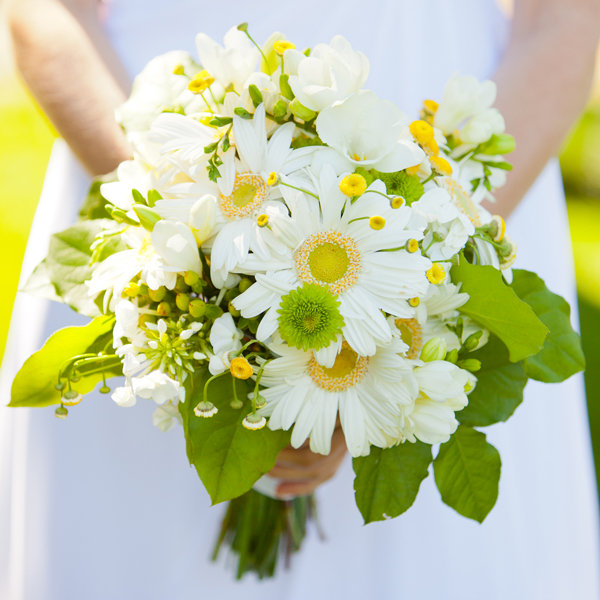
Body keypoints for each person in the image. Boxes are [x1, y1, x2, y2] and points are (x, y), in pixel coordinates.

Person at [2, 0, 599, 598]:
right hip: (156, 144)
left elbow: (563, 20)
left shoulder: (431, 237)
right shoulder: (179, 219)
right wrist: (188, 240)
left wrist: (418, 277)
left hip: (448, 159)